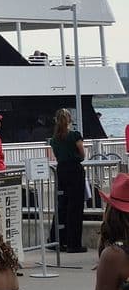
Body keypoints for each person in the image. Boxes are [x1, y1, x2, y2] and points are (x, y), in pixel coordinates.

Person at [49, 108, 86, 253]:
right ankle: (73, 243)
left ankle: (57, 239)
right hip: (74, 171)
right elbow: (82, 154)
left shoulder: (54, 139)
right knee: (75, 207)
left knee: (62, 204)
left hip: (61, 170)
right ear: (69, 119)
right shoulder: (75, 135)